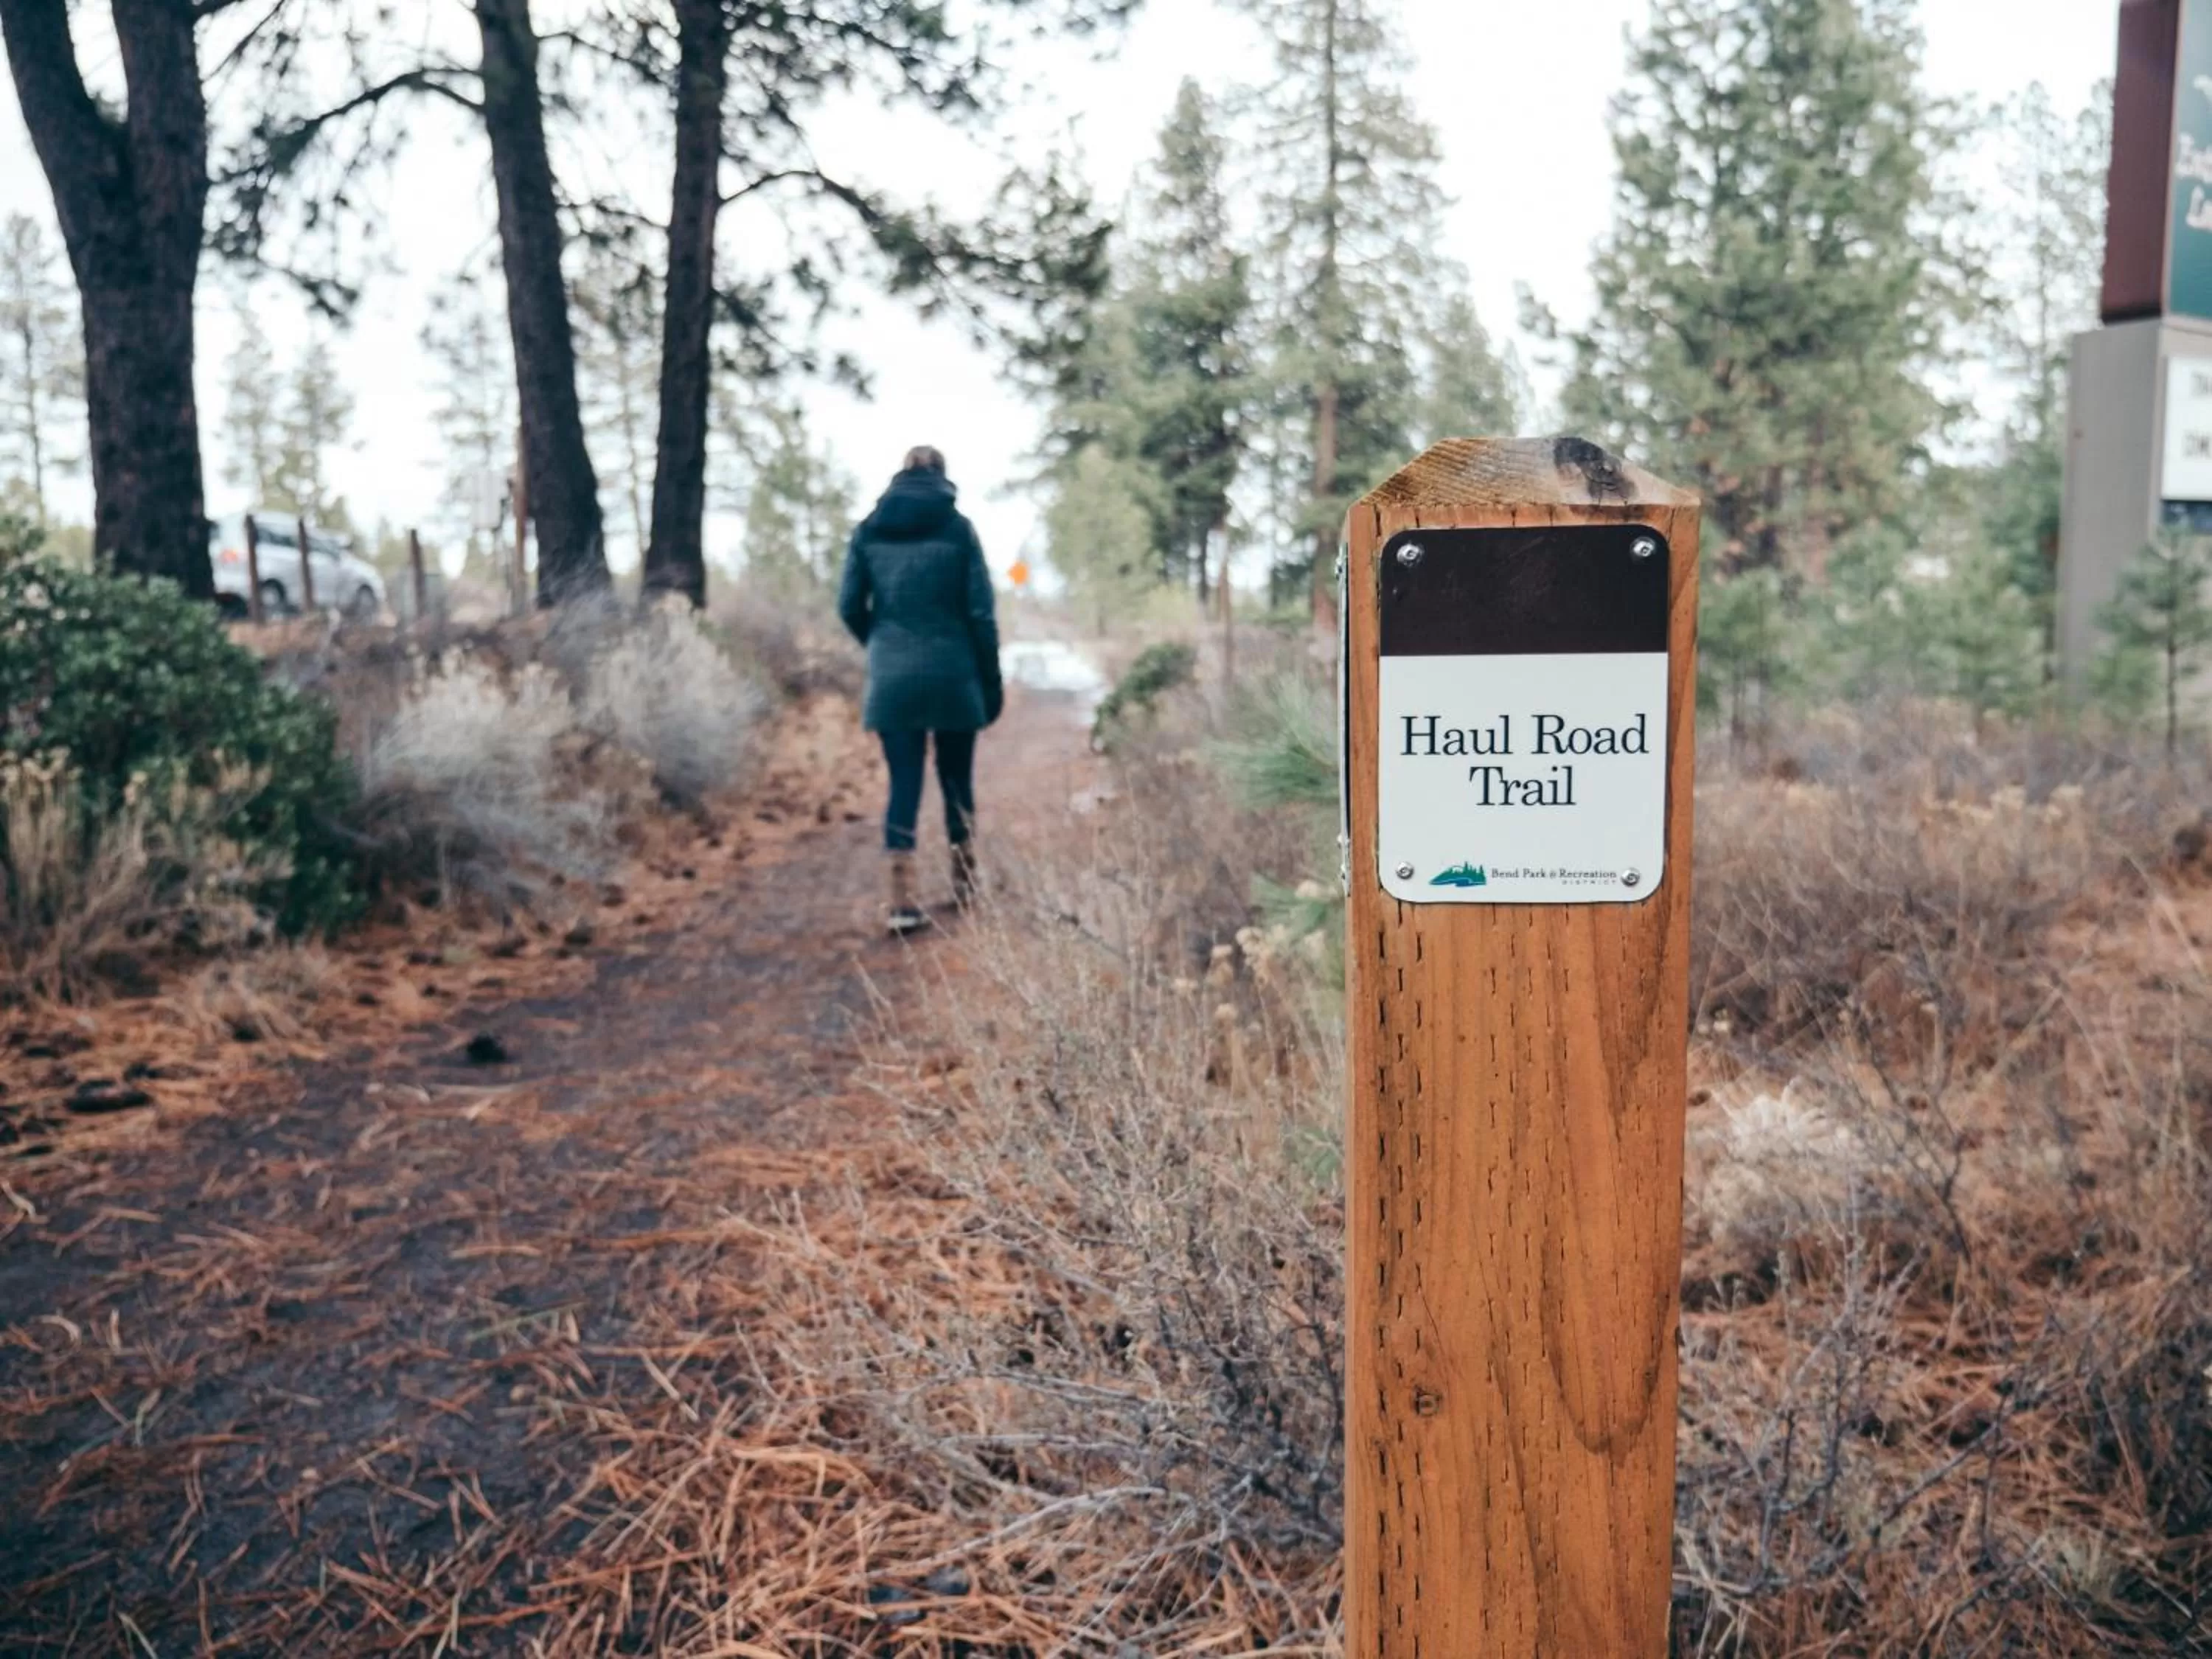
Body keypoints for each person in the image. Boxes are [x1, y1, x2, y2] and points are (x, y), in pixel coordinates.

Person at [838, 445, 1004, 935]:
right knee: (956, 780)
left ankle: (902, 902)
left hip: (892, 679)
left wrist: (882, 644)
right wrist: (989, 678)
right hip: (954, 674)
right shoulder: (958, 530)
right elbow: (981, 614)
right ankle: (965, 883)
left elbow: (849, 605)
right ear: (943, 476)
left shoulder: (868, 531)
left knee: (903, 782)